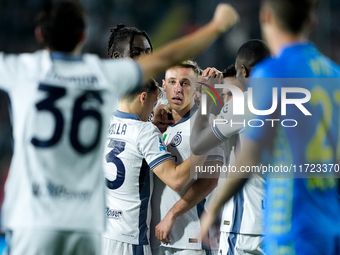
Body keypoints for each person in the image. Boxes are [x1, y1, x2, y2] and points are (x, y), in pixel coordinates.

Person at [0, 0, 239, 254]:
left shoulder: (21, 70)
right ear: (83, 35)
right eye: (139, 54)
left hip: (36, 219)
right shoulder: (105, 79)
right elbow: (168, 57)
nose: (146, 62)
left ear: (39, 34)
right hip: (92, 227)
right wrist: (216, 26)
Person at [199, 1, 340, 255]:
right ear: (312, 21)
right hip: (328, 227)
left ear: (266, 17)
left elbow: (247, 156)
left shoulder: (270, 75)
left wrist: (216, 208)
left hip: (286, 225)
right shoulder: (334, 76)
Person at [101, 79, 208, 255]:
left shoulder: (105, 122)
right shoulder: (144, 131)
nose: (152, 112)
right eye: (152, 105)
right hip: (130, 240)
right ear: (143, 98)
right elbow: (176, 180)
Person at [192, 40, 270, 255]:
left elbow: (198, 144)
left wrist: (208, 97)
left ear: (243, 71)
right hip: (283, 227)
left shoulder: (245, 104)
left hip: (245, 229)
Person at [150, 60, 224, 255]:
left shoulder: (206, 122)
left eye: (185, 83)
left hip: (190, 241)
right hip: (156, 237)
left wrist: (171, 215)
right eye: (172, 82)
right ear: (163, 86)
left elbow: (210, 180)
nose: (178, 89)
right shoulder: (154, 123)